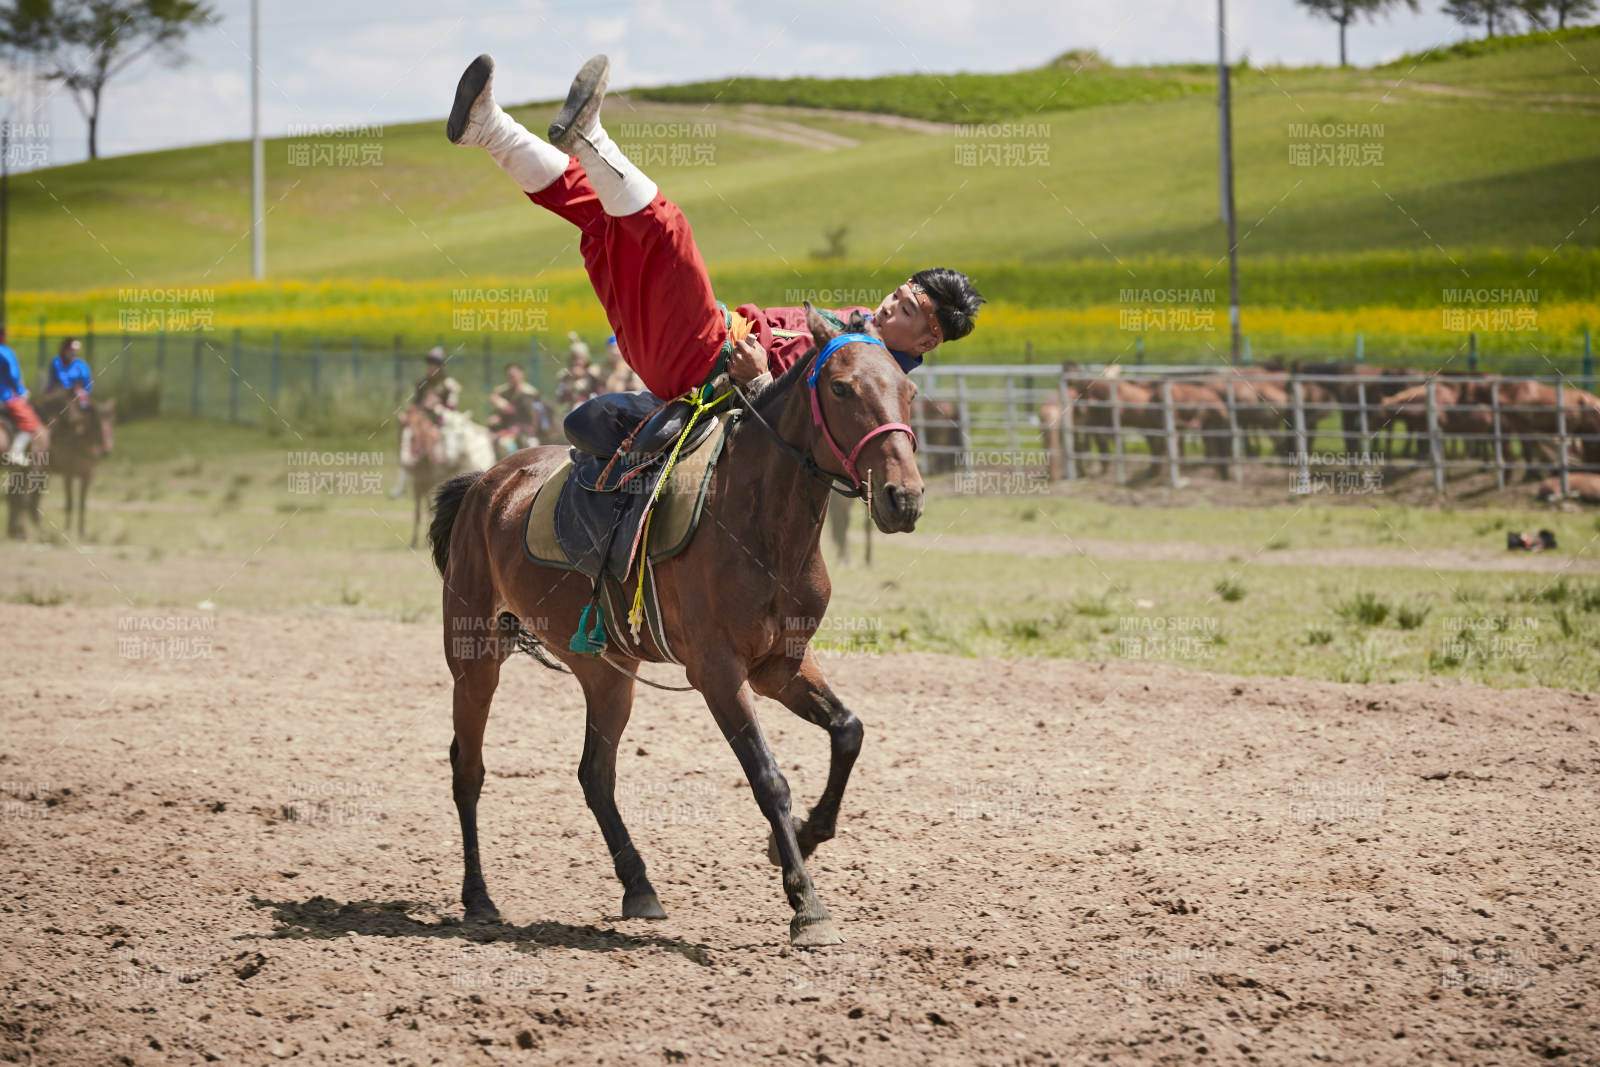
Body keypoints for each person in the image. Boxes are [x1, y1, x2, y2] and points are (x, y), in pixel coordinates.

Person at [447, 53, 982, 407]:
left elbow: (813, 446)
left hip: (704, 364)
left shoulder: (881, 384)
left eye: (908, 311)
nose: (891, 306)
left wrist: (758, 382)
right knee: (603, 217)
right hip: (690, 345)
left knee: (667, 230)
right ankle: (487, 128)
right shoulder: (863, 328)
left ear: (931, 339)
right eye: (900, 295)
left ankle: (589, 137)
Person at [392, 347, 464, 497]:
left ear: (441, 367)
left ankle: (442, 481)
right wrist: (406, 415)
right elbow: (415, 404)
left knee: (440, 439)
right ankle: (402, 482)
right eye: (430, 363)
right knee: (407, 434)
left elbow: (452, 409)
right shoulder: (422, 383)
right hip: (421, 422)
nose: (431, 367)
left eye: (435, 364)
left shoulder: (450, 385)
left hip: (440, 422)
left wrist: (437, 406)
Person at [0, 327, 43, 466]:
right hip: (5, 397)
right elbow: (14, 375)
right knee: (30, 422)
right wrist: (21, 391)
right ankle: (16, 452)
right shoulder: (5, 352)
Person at [487, 362, 545, 455]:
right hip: (505, 429)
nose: (511, 378)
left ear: (522, 374)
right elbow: (497, 413)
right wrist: (495, 416)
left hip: (525, 430)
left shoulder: (530, 393)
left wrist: (504, 405)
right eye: (509, 376)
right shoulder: (502, 392)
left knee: (527, 447)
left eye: (513, 375)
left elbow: (531, 416)